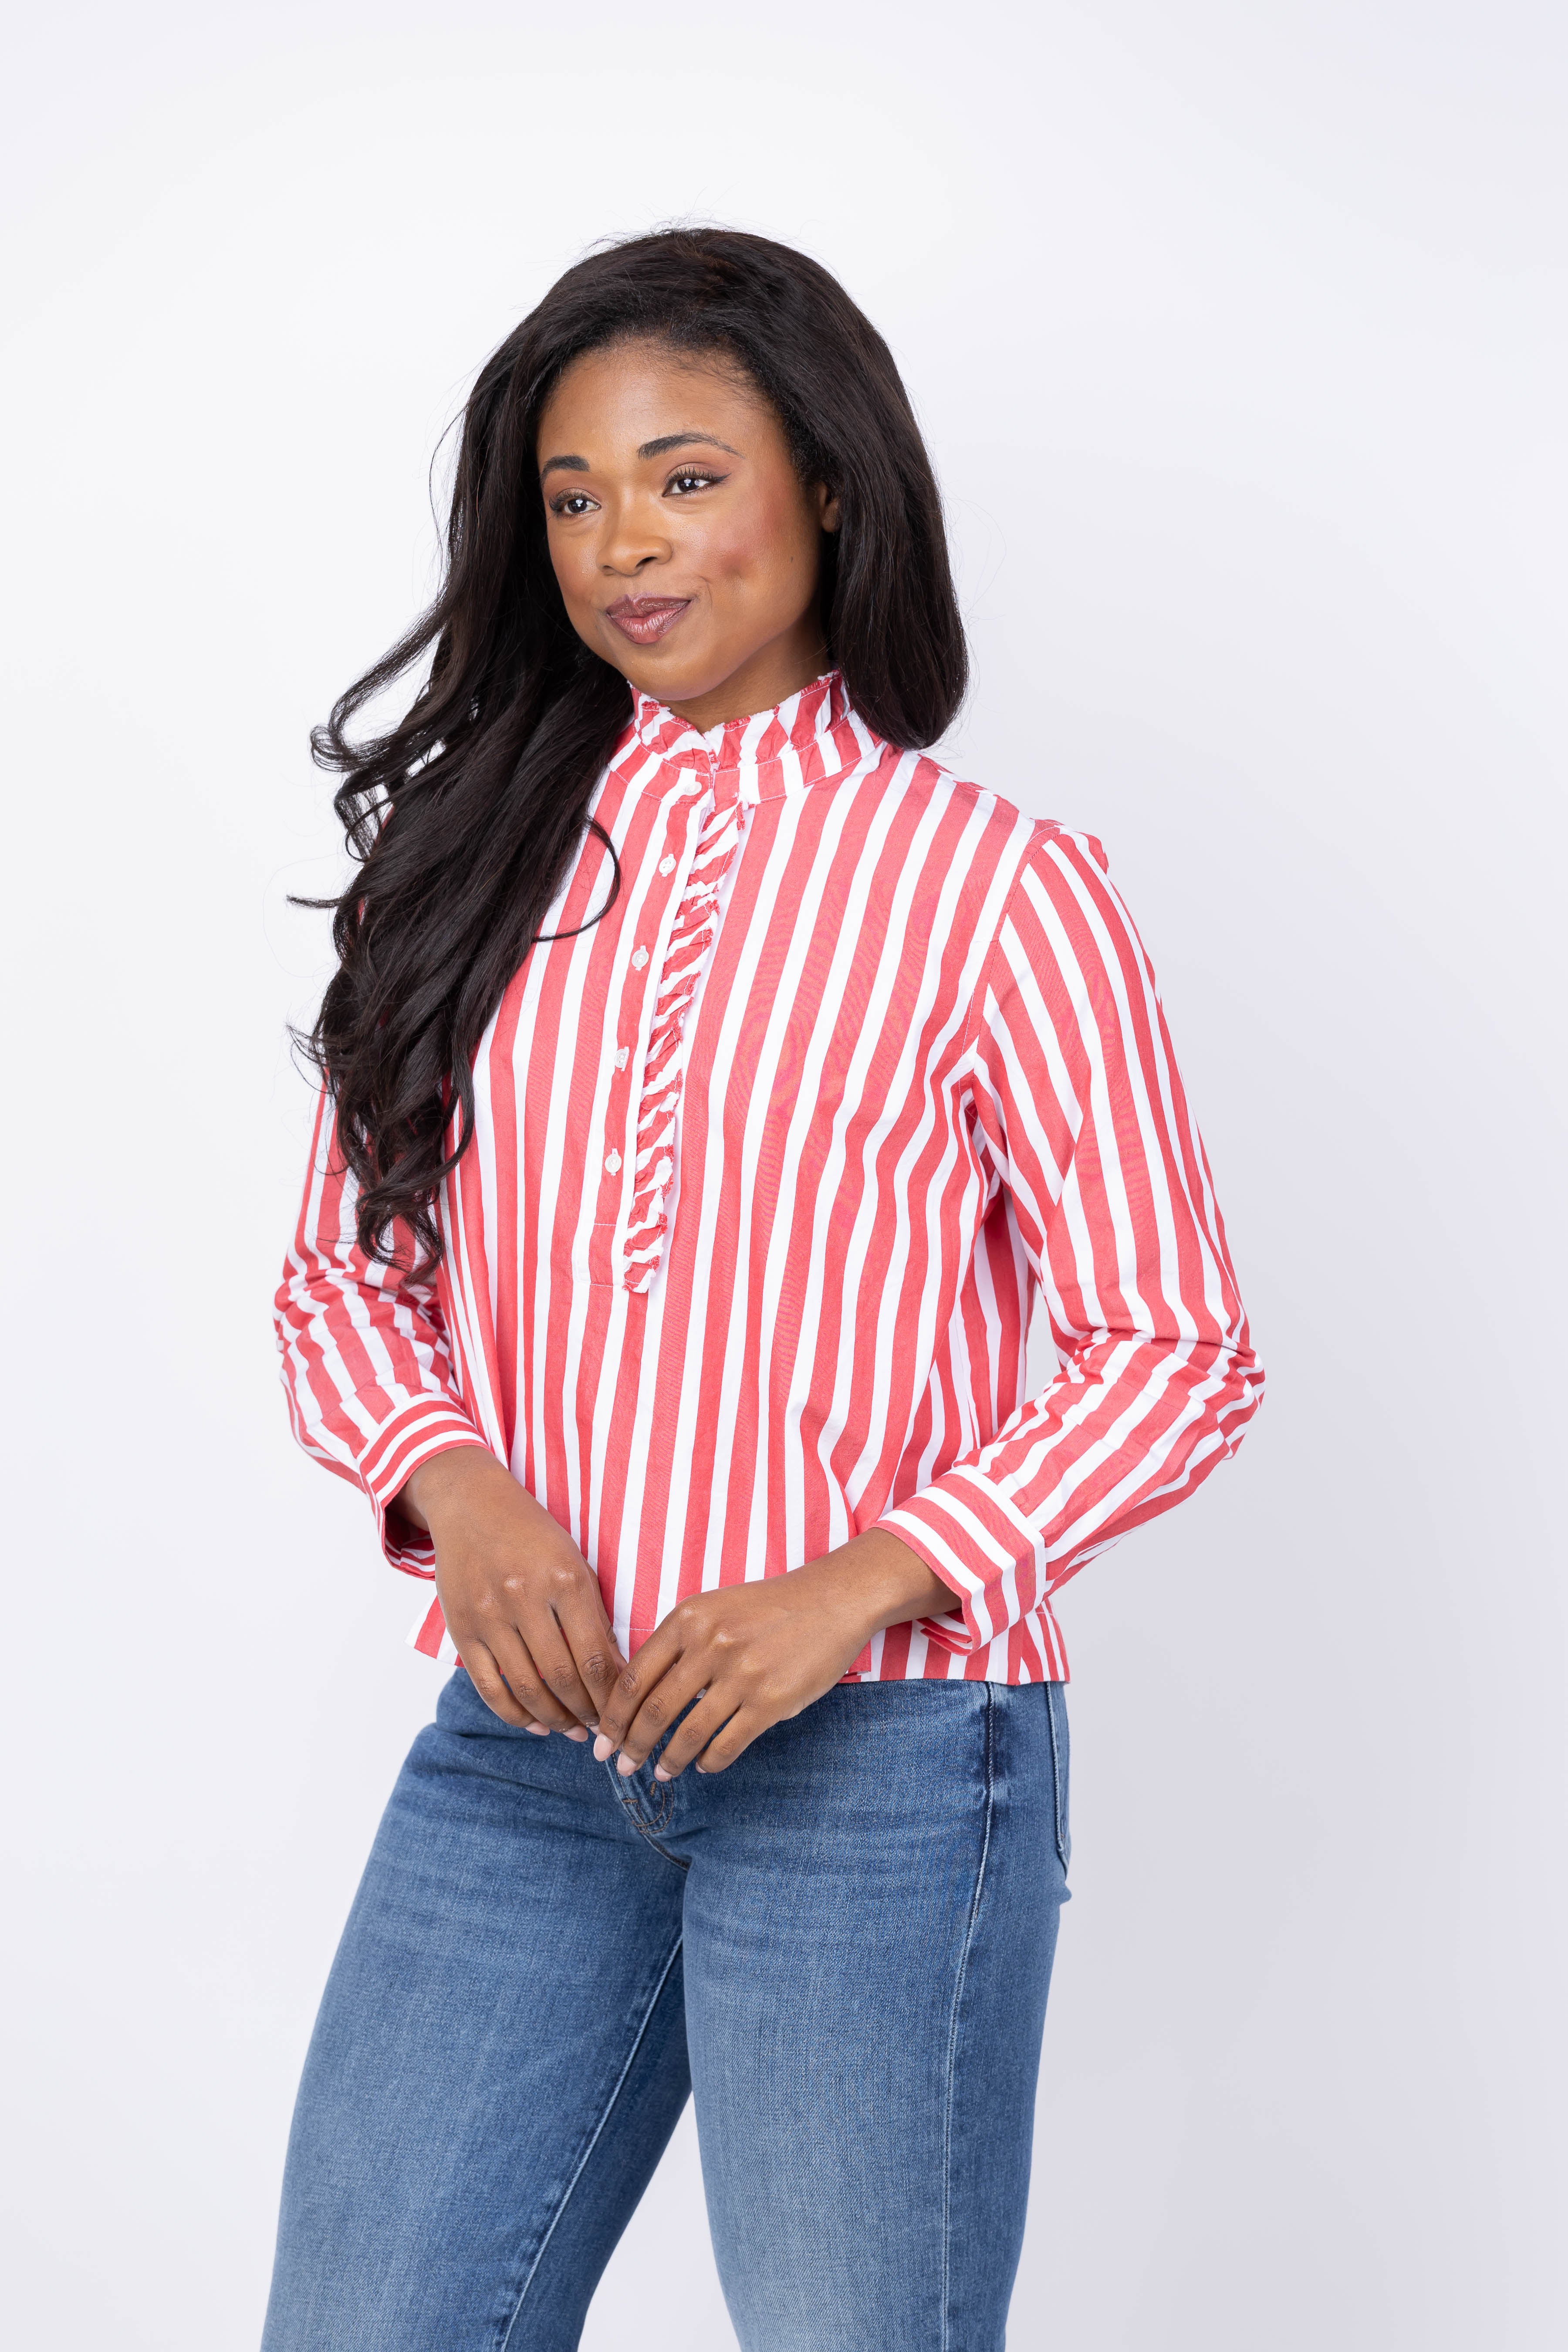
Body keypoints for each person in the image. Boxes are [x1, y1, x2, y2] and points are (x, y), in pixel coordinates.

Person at [263, 227, 1264, 2352]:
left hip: (884, 1772)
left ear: (827, 484)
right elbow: (340, 1284)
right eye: (574, 495)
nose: (625, 541)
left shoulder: (1000, 888)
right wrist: (462, 1490)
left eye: (687, 477)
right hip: (526, 1759)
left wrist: (860, 1584)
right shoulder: (470, 876)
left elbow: (1175, 1349)